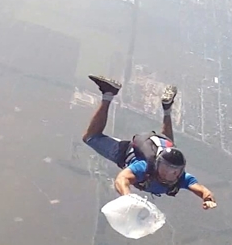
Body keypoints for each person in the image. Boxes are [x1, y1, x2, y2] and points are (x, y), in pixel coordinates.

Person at [82, 75, 217, 210]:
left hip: (161, 144)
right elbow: (121, 179)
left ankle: (167, 109)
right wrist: (127, 198)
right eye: (166, 168)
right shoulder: (143, 167)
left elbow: (202, 190)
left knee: (168, 141)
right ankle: (108, 92)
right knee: (91, 138)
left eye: (175, 171)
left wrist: (208, 199)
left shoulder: (182, 178)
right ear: (157, 164)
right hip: (124, 152)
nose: (170, 174)